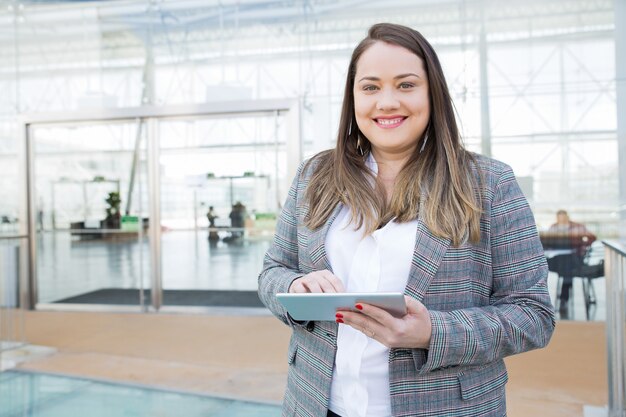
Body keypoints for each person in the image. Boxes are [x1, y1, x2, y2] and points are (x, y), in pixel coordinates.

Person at [258, 23, 555, 417]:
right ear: (353, 98)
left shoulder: (488, 184)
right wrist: (295, 286)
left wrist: (432, 332)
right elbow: (272, 272)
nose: (386, 101)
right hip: (316, 404)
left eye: (406, 84)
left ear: (432, 93)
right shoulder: (314, 176)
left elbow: (533, 314)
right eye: (370, 87)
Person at [546, 209, 596, 314]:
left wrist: (582, 246)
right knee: (565, 267)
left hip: (574, 258)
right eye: (560, 218)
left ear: (567, 217)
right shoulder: (553, 227)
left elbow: (592, 237)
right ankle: (563, 299)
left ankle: (563, 298)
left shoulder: (578, 227)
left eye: (563, 218)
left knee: (567, 266)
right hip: (557, 260)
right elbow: (546, 243)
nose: (562, 220)